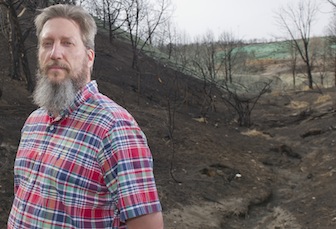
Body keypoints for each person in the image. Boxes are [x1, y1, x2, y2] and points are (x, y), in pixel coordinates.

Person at [7, 4, 163, 229]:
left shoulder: (114, 127)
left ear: (89, 57)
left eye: (67, 43)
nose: (55, 53)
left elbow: (148, 225)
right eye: (47, 43)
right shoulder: (33, 123)